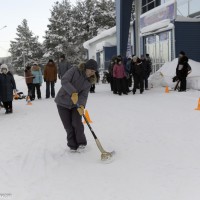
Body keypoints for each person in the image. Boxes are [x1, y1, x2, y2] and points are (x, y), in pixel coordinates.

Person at [55, 59, 97, 152]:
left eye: (94, 72)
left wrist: (81, 106)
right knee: (68, 126)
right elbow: (64, 80)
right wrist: (73, 92)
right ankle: (72, 145)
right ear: (86, 68)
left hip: (76, 105)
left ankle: (81, 143)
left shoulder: (88, 81)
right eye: (91, 70)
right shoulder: (74, 70)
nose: (92, 73)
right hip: (62, 102)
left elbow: (84, 95)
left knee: (77, 123)